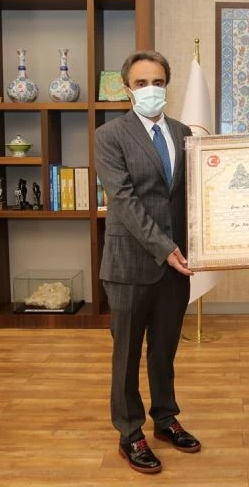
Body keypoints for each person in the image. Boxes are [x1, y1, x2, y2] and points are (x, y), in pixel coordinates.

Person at [94, 49, 199, 475]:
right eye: (141, 83)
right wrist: (164, 247)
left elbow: (195, 194)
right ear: (127, 89)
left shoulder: (183, 132)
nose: (150, 89)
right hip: (130, 264)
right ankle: (129, 432)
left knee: (164, 350)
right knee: (126, 354)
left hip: (175, 264)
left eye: (157, 82)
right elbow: (124, 200)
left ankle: (166, 418)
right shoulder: (110, 135)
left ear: (167, 85)